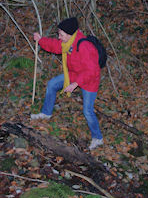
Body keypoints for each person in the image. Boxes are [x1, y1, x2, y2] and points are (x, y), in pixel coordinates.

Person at [31, 17, 103, 150]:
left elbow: (92, 71)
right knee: (52, 84)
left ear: (70, 34)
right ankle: (46, 113)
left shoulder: (84, 46)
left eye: (61, 34)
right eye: (59, 34)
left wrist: (75, 84)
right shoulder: (67, 43)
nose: (59, 37)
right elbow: (54, 45)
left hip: (90, 80)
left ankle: (98, 138)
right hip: (74, 75)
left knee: (87, 111)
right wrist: (40, 40)